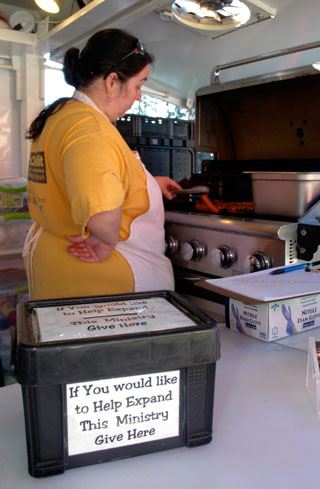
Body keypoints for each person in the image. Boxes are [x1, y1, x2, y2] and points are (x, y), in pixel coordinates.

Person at [23, 28, 181, 301]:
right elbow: (102, 214)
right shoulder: (90, 129)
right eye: (139, 85)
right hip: (99, 283)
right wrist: (105, 241)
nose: (139, 96)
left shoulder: (64, 115)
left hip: (59, 268)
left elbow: (78, 177)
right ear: (111, 82)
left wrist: (149, 185)